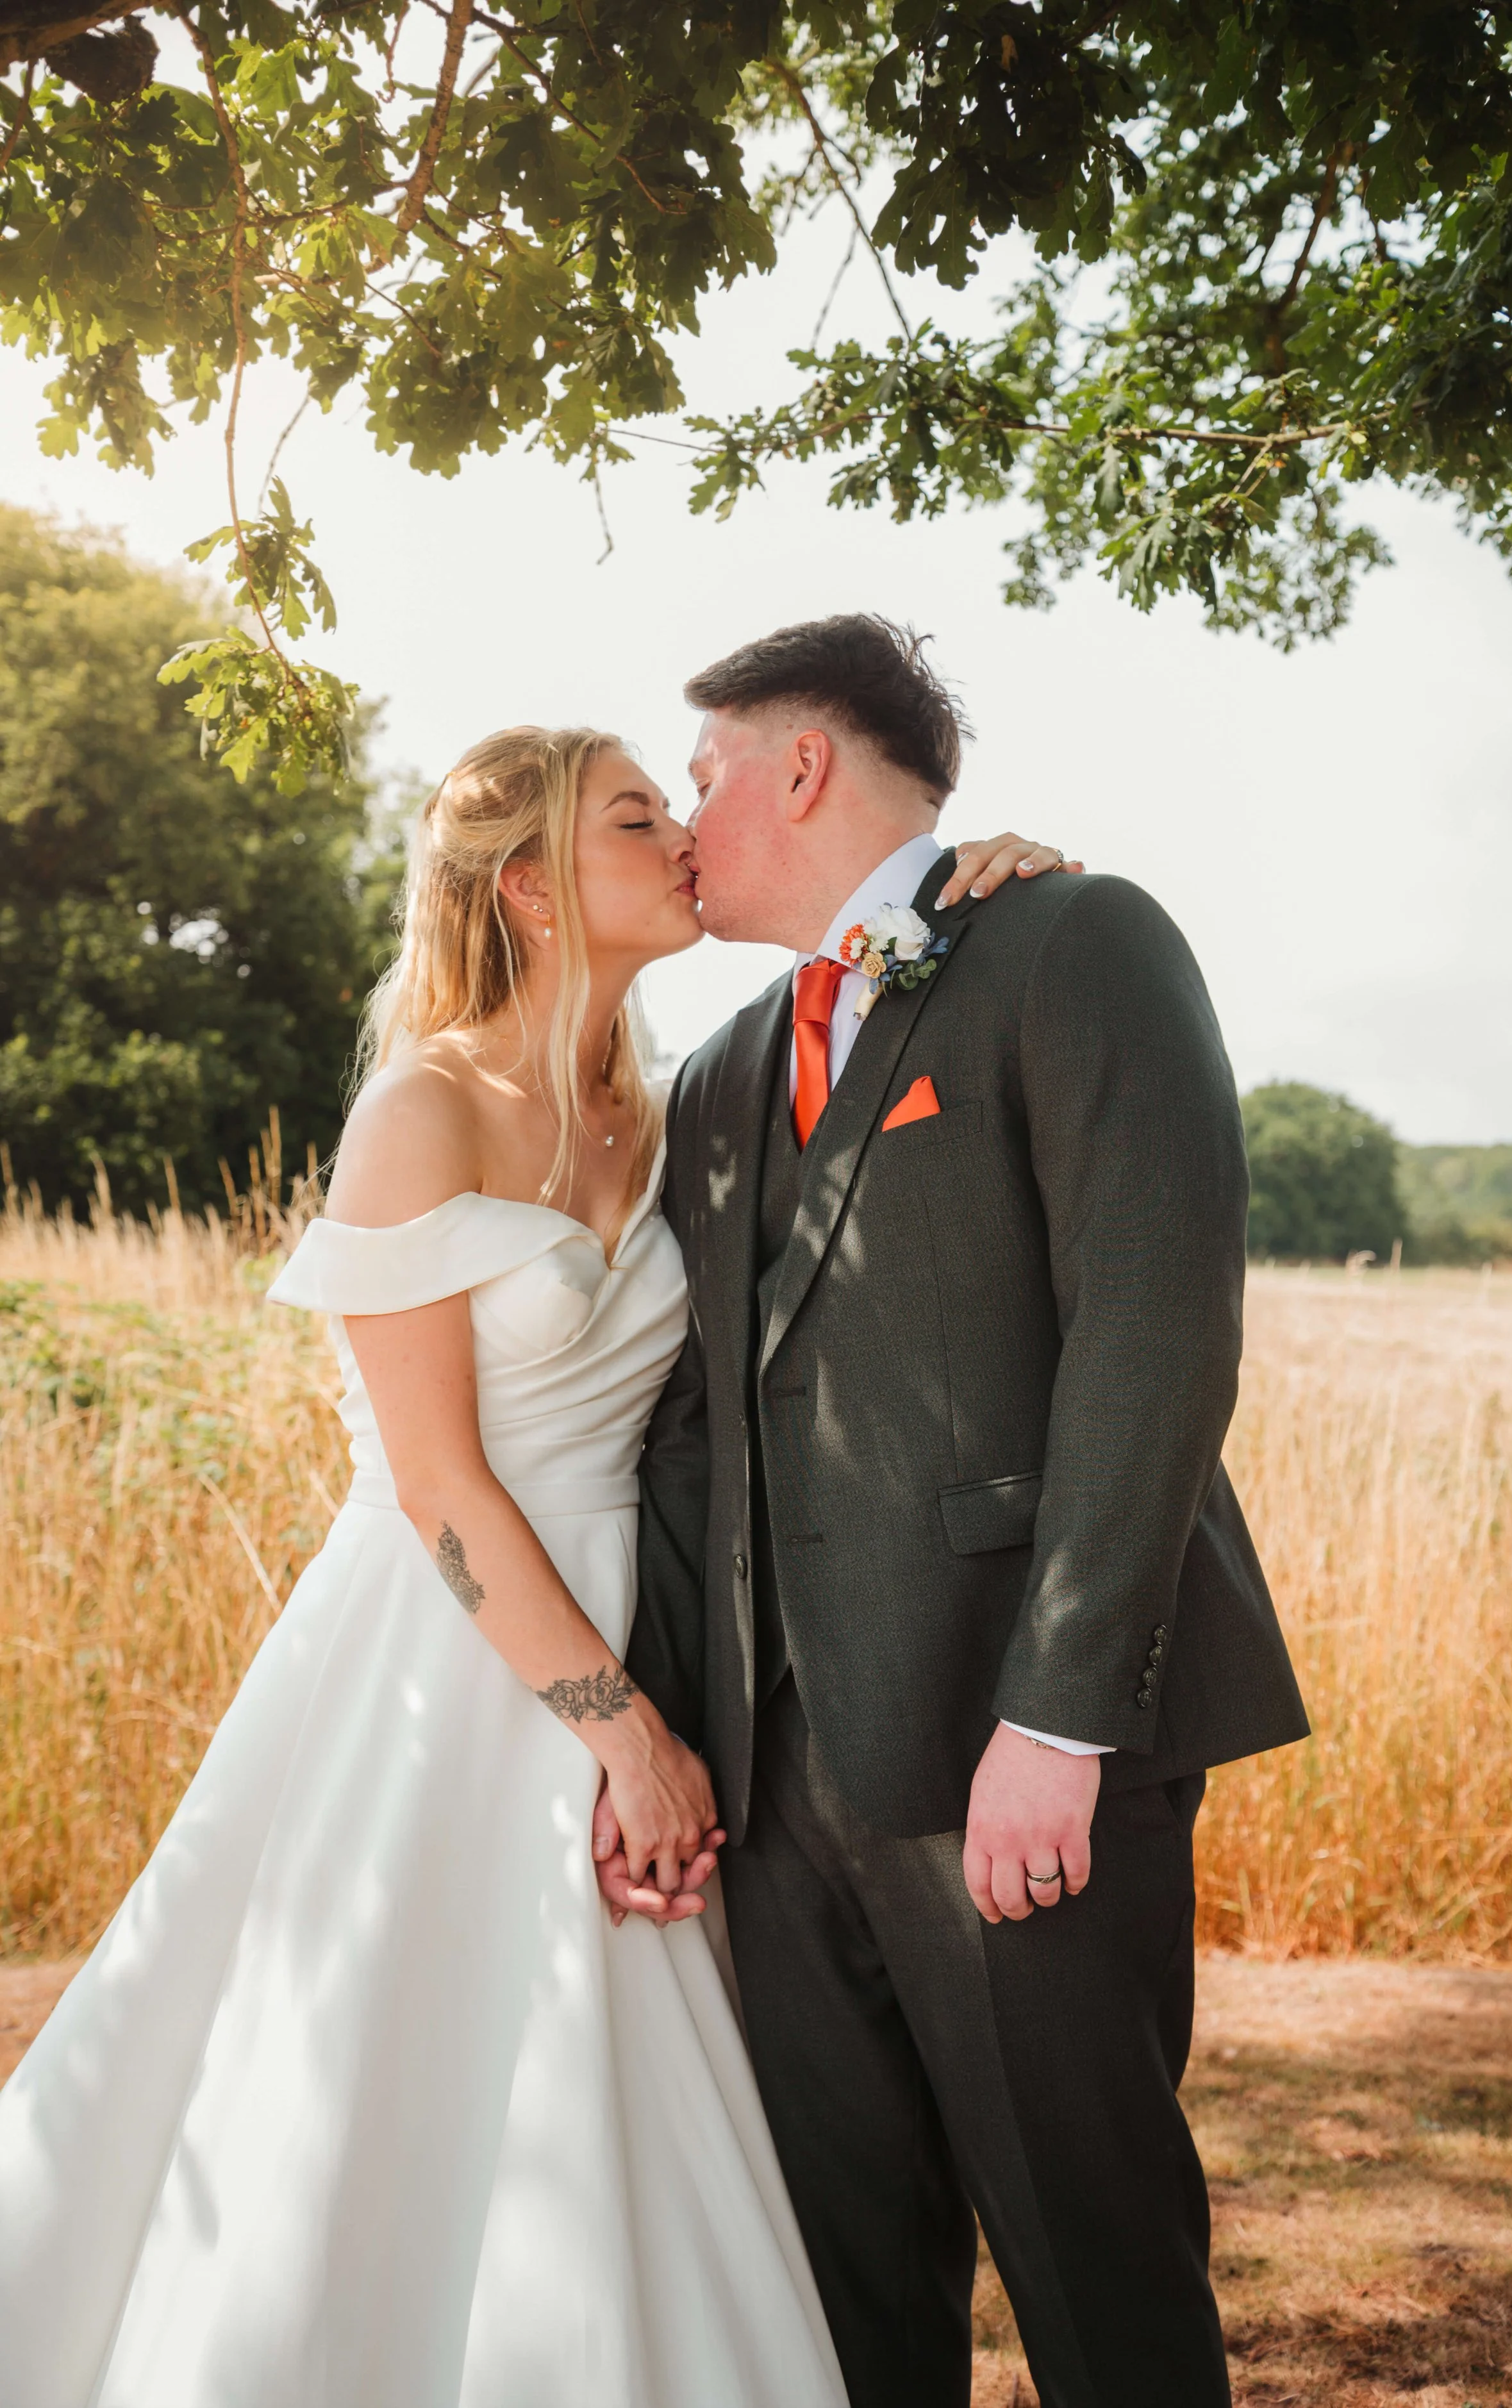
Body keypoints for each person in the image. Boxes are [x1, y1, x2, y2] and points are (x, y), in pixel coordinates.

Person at [0, 713, 1061, 2408]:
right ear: (532, 891)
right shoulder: (420, 1110)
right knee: (370, 2083)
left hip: (627, 1628)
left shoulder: (674, 1102)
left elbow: (869, 1024)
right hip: (433, 1660)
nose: (684, 836)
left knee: (612, 2098)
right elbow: (433, 1484)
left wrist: (976, 892)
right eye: (640, 817)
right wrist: (622, 1733)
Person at [611, 615, 1311, 2408]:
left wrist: (1057, 1714)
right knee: (844, 2289)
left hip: (1015, 1757)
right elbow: (696, 1441)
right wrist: (673, 1742)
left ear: (801, 766)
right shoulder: (712, 1079)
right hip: (775, 1803)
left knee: (1095, 2264)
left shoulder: (1075, 943)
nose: (686, 821)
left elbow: (1152, 1334)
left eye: (698, 778)